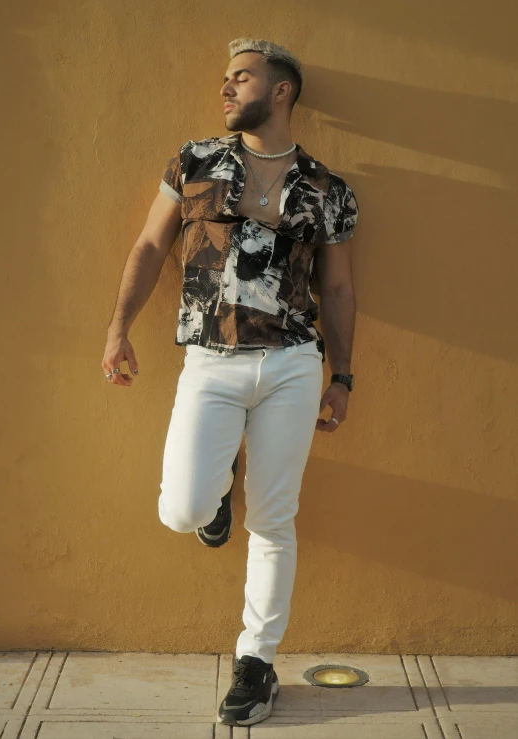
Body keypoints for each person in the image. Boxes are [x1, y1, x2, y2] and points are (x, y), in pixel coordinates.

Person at [101, 37, 360, 727]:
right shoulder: (193, 161)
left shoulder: (326, 190)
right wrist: (118, 326)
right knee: (181, 508)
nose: (225, 87)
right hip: (210, 361)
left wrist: (344, 375)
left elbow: (336, 286)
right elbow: (151, 245)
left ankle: (257, 660)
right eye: (223, 78)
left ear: (280, 91)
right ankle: (217, 490)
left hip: (292, 362)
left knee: (274, 518)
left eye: (240, 77)